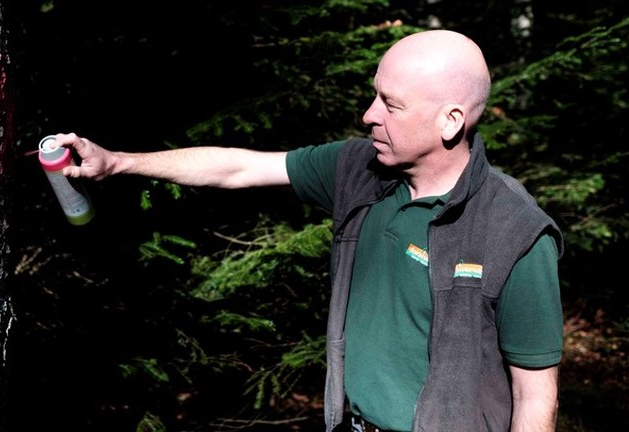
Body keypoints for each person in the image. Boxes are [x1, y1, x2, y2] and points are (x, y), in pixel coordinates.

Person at [48, 29, 563, 432]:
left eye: (391, 105)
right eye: (373, 96)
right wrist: (118, 163)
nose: (369, 116)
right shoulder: (359, 169)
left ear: (451, 121)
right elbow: (240, 168)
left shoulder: (513, 231)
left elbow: (535, 393)